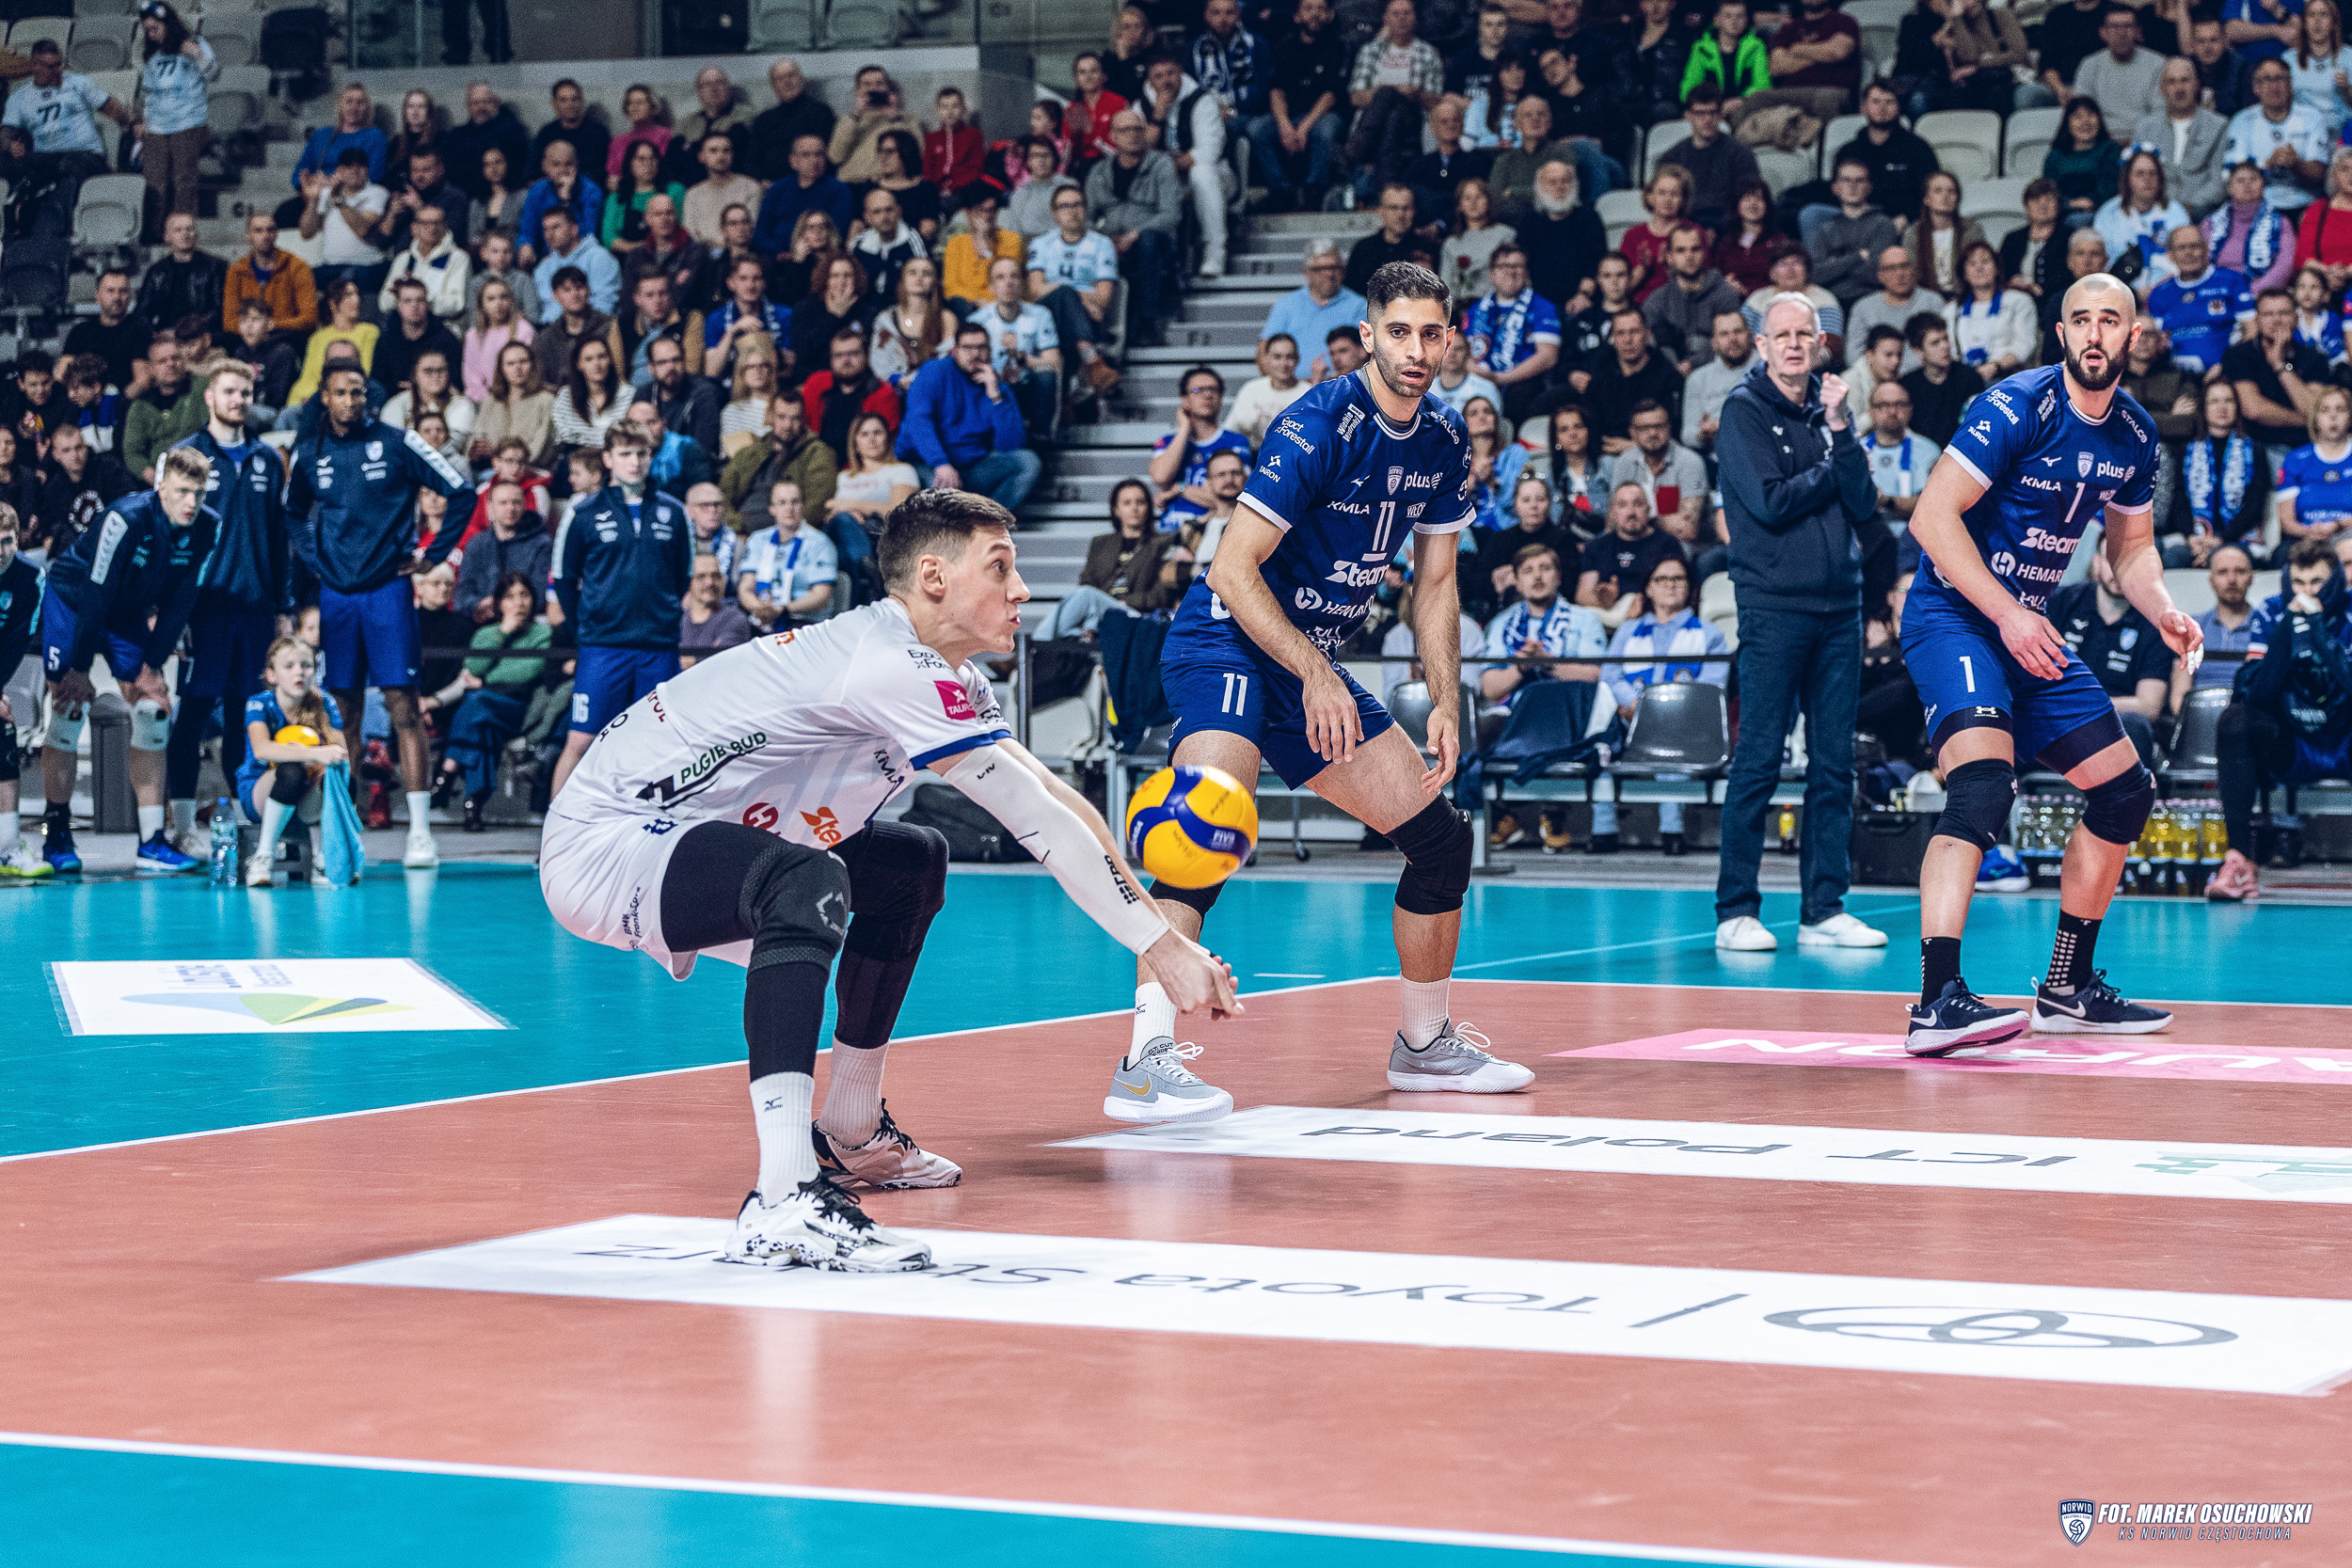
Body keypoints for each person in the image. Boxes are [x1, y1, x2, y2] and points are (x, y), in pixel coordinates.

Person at [543, 480, 1240, 1260]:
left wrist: (1164, 938)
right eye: (1000, 566)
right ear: (934, 577)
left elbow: (1053, 797)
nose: (1021, 588)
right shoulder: (886, 662)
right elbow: (1035, 821)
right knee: (806, 882)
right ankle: (783, 1197)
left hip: (700, 827)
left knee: (911, 862)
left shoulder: (948, 675)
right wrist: (1161, 946)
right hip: (608, 840)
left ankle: (850, 1129)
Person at [1126, 259, 1529, 1123]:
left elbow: (1437, 583)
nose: (1416, 350)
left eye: (1431, 334)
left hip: (1308, 661)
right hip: (1227, 642)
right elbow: (1232, 571)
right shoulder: (1316, 424)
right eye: (1399, 332)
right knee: (1199, 831)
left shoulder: (1445, 436)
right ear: (1369, 334)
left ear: (1450, 340)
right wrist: (1315, 670)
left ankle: (1424, 1045)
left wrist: (1445, 699)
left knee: (1441, 843)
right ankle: (1145, 1062)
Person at [1896, 269, 2195, 1048]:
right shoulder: (2014, 406)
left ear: (2134, 336)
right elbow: (1932, 518)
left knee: (2125, 792)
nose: (2095, 333)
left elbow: (2130, 549)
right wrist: (2008, 613)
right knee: (1982, 784)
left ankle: (2067, 987)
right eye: (2081, 320)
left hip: (2029, 627)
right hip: (1958, 616)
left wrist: (2162, 608)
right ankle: (1936, 1000)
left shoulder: (2135, 434)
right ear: (2060, 333)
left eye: (2110, 320)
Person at [1710, 289, 1885, 956]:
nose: (1793, 344)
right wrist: (1832, 466)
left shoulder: (1831, 409)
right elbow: (1770, 501)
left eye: (1803, 335)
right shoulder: (1743, 410)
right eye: (1781, 334)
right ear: (1761, 346)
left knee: (1835, 763)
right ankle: (1736, 909)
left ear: (1820, 344)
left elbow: (1863, 502)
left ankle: (1824, 909)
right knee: (1759, 757)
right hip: (1774, 607)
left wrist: (1840, 431)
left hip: (1841, 607)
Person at [287, 364, 478, 869]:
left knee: (404, 708)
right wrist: (316, 557)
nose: (350, 401)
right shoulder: (307, 450)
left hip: (389, 592)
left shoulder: (399, 442)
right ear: (324, 397)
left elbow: (461, 491)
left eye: (358, 392)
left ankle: (419, 833)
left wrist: (433, 555)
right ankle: (344, 831)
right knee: (343, 713)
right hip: (337, 597)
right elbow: (292, 514)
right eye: (340, 393)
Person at [36, 447, 220, 874]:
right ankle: (57, 834)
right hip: (73, 601)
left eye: (198, 493)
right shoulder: (126, 517)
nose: (191, 502)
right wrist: (79, 669)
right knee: (69, 710)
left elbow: (182, 601)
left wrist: (151, 666)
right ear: (160, 486)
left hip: (125, 613)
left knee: (154, 711)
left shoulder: (209, 526)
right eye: (182, 491)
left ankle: (151, 841)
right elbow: (96, 591)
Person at [159, 364, 287, 851]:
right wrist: (171, 611)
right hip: (203, 611)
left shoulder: (267, 458)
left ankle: (245, 823)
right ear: (209, 396)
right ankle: (183, 828)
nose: (239, 400)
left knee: (245, 717)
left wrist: (283, 608)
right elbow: (169, 534)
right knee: (192, 715)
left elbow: (279, 538)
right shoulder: (186, 457)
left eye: (246, 392)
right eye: (229, 391)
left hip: (255, 612)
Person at [547, 422, 693, 797]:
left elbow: (683, 576)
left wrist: (658, 615)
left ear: (651, 457)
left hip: (658, 649)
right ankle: (555, 829)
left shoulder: (674, 511)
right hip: (603, 647)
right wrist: (588, 628)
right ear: (608, 459)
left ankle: (655, 826)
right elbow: (563, 579)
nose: (634, 462)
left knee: (661, 745)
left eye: (641, 453)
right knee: (581, 742)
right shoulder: (583, 512)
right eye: (625, 454)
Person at [2207, 535, 2352, 899]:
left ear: (2334, 580)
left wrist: (2317, 630)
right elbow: (2257, 693)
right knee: (2236, 721)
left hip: (2343, 739)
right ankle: (2239, 860)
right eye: (2299, 582)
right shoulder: (2272, 611)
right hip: (2292, 744)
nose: (2308, 592)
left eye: (2317, 582)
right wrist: (2289, 626)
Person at [1476, 540, 1607, 851]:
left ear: (1558, 577)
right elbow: (1490, 688)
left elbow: (1595, 675)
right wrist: (1521, 667)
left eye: (1545, 568)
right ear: (1517, 581)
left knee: (1550, 707)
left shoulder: (1585, 619)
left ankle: (1554, 814)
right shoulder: (1501, 624)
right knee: (1474, 727)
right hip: (1513, 713)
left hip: (1566, 715)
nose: (1537, 576)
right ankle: (1503, 814)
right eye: (1528, 571)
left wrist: (1548, 663)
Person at [1594, 554, 1728, 854]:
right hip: (1628, 719)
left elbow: (1713, 686)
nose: (1670, 585)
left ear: (1690, 587)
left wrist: (1664, 713)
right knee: (1600, 747)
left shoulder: (1709, 634)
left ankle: (1672, 832)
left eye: (1678, 578)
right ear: (1649, 588)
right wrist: (1632, 704)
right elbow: (1610, 675)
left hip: (1684, 723)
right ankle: (1603, 831)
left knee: (1672, 746)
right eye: (1662, 579)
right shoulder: (1628, 631)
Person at [230, 636, 349, 883]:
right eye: (289, 666)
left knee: (341, 776)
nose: (299, 672)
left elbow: (340, 754)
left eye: (306, 666)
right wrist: (314, 753)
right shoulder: (259, 703)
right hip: (260, 794)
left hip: (306, 799)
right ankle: (263, 858)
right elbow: (262, 750)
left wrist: (319, 761)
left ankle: (327, 858)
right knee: (291, 771)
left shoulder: (325, 702)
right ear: (271, 675)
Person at [2046, 545, 2175, 765]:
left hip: (2114, 723)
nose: (2118, 570)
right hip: (2055, 718)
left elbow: (2149, 706)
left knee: (2135, 727)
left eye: (2128, 562)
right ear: (2097, 562)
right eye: (2111, 560)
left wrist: (2080, 706)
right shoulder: (2062, 602)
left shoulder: (2155, 621)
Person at [1086, 110, 1184, 349]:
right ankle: (1095, 329)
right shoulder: (1099, 172)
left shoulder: (1161, 164)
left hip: (1153, 239)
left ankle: (1148, 323)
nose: (1132, 135)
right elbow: (1086, 217)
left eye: (1138, 129)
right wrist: (1104, 240)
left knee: (1147, 242)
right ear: (1113, 136)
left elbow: (1171, 214)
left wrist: (1135, 234)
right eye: (1125, 130)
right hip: (1111, 239)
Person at [1025, 183, 1124, 404]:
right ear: (1055, 214)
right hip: (1050, 315)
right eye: (1064, 206)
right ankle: (1092, 361)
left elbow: (1104, 299)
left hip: (1088, 322)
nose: (1072, 211)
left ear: (1086, 209)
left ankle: (1066, 402)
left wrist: (1069, 296)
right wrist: (1081, 298)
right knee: (1065, 293)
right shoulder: (1041, 245)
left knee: (1064, 314)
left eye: (1077, 204)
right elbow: (1036, 291)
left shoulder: (1102, 244)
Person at [1345, 0, 1447, 199]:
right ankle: (1385, 189)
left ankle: (1360, 143)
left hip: (1413, 116)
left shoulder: (1428, 52)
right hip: (1383, 119)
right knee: (1391, 115)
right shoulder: (1370, 51)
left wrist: (1413, 94)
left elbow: (1435, 100)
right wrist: (1394, 91)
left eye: (1406, 13)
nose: (1401, 18)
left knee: (1388, 95)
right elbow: (1356, 96)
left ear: (1415, 18)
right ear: (1386, 19)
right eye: (1396, 13)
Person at [2170, 378, 2272, 563]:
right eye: (2214, 401)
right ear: (2204, 408)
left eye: (2228, 400)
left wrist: (2221, 540)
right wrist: (2191, 538)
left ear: (2237, 407)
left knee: (2231, 558)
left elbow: (2255, 504)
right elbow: (2179, 500)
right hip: (2196, 538)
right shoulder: (2185, 450)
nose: (2222, 407)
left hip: (2238, 538)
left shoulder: (2255, 450)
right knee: (2173, 558)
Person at [4, 39, 131, 187]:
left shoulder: (78, 83)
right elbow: (7, 131)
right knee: (11, 165)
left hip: (85, 154)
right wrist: (10, 145)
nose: (58, 70)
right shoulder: (19, 98)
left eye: (59, 64)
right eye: (51, 66)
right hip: (46, 157)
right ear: (35, 66)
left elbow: (110, 107)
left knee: (68, 165)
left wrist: (132, 123)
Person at [1463, 245, 1560, 423]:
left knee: (1519, 397)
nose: (1510, 272)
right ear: (1492, 274)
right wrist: (1478, 373)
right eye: (1503, 266)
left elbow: (1548, 357)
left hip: (1522, 384)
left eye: (1517, 266)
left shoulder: (1543, 307)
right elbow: (1462, 351)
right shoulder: (1476, 309)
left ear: (1527, 273)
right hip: (1479, 379)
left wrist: (1501, 379)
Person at [2223, 284, 2328, 446]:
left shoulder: (2314, 358)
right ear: (2257, 320)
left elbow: (2313, 409)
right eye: (2268, 314)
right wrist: (2305, 420)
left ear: (2296, 319)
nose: (2276, 320)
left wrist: (2280, 365)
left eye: (2284, 313)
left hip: (2305, 444)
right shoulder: (2238, 355)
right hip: (2257, 444)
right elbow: (2253, 409)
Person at [2224, 56, 2329, 215]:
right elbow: (2232, 172)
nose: (2274, 86)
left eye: (2280, 78)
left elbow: (2320, 174)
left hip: (2304, 205)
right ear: (2256, 87)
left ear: (2290, 84)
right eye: (2266, 79)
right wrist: (2267, 164)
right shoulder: (2242, 121)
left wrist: (2296, 164)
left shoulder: (2312, 118)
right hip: (2257, 205)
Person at [737, 476, 839, 633]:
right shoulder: (758, 539)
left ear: (803, 506)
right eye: (782, 502)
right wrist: (760, 609)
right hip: (761, 618)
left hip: (803, 622)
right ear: (771, 508)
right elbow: (746, 587)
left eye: (795, 502)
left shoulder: (820, 543)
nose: (789, 508)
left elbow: (822, 596)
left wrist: (782, 610)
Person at [2169, 544, 2259, 715]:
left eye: (2240, 571)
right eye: (2222, 572)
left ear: (2252, 578)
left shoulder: (2266, 627)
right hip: (2199, 718)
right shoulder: (2191, 628)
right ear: (2211, 581)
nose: (2231, 579)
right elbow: (2179, 698)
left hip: (2249, 719)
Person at [2138, 55, 2232, 219]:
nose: (2179, 88)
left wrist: (2185, 210)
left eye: (2185, 80)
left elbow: (2218, 182)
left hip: (2201, 211)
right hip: (2155, 210)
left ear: (2197, 85)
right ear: (2162, 89)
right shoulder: (2145, 128)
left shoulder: (2219, 126)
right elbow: (2135, 178)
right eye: (2171, 82)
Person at [1581, 309, 1684, 453]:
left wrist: (1635, 448)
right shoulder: (1600, 379)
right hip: (1607, 454)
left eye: (1634, 332)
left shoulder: (1669, 378)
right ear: (1613, 339)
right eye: (1620, 333)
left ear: (1647, 335)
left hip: (1656, 454)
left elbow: (1676, 432)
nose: (1628, 340)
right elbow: (1590, 428)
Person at [301, 147, 391, 301]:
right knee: (299, 277)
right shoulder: (326, 193)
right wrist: (313, 199)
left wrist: (339, 199)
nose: (355, 170)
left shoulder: (377, 192)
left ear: (367, 169)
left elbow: (362, 229)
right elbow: (307, 233)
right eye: (348, 166)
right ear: (339, 171)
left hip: (367, 266)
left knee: (347, 279)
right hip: (330, 266)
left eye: (361, 165)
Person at [1945, 241, 2039, 382]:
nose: (1979, 268)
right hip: (1963, 381)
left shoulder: (2019, 301)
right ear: (1964, 273)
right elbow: (1950, 349)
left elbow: (2025, 344)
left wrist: (1996, 366)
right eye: (1972, 264)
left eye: (1985, 261)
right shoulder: (1952, 310)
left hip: (2008, 377)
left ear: (1997, 268)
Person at [2276, 381, 2352, 552]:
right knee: (2282, 553)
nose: (2333, 416)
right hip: (2306, 538)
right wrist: (2310, 532)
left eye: (2340, 409)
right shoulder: (2296, 459)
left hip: (2349, 536)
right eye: (2325, 410)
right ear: (2315, 418)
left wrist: (2338, 525)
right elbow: (2286, 521)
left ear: (2350, 417)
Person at [755, 135, 857, 261]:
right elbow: (760, 234)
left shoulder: (838, 190)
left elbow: (837, 231)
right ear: (793, 161)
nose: (814, 160)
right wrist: (782, 252)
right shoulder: (777, 189)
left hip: (821, 258)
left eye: (819, 154)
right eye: (806, 155)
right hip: (778, 258)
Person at [1260, 239, 1367, 355]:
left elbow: (1368, 351)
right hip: (1292, 367)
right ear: (1307, 272)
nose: (1329, 274)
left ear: (1343, 271)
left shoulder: (1359, 306)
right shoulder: (1286, 305)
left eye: (1334, 268)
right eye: (1321, 269)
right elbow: (1264, 351)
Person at [2074, 4, 2167, 135]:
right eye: (2114, 27)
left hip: (2145, 139)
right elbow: (2082, 110)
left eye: (2128, 26)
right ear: (2103, 33)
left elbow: (2160, 113)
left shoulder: (2158, 64)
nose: (2121, 33)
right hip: (2101, 140)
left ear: (2138, 31)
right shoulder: (2089, 65)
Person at [122, 337, 203, 484]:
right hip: (160, 482)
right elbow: (132, 452)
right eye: (162, 361)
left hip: (199, 473)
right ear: (151, 368)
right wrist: (150, 474)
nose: (170, 364)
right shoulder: (140, 405)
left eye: (175, 358)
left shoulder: (201, 389)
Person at [1863, 375, 1939, 526]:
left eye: (1899, 404)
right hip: (1866, 533)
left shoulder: (1929, 451)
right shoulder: (1857, 451)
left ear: (1910, 410)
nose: (1892, 411)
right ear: (1871, 411)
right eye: (1884, 405)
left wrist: (1887, 501)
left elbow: (1934, 505)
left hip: (1912, 534)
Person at [68, 270, 155, 401]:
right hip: (83, 403)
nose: (117, 297)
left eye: (123, 291)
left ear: (130, 296)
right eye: (110, 291)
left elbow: (142, 380)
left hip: (123, 403)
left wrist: (114, 403)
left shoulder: (140, 330)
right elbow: (62, 375)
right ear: (98, 296)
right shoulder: (80, 332)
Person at [1899, 312, 1983, 446]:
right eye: (1935, 343)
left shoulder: (1969, 378)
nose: (1945, 346)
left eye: (1945, 339)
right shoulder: (1907, 385)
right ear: (1918, 350)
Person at [829, 411, 919, 533]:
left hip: (882, 534)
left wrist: (851, 506)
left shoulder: (902, 470)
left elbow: (901, 513)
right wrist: (848, 513)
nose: (871, 439)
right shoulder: (844, 476)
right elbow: (830, 508)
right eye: (864, 434)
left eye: (877, 433)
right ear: (855, 444)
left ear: (888, 438)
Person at [748, 59, 835, 183]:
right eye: (780, 79)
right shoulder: (763, 120)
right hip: (770, 185)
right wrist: (761, 180)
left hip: (810, 183)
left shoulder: (821, 113)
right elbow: (751, 159)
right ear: (773, 86)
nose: (787, 82)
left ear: (801, 79)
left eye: (791, 76)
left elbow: (824, 156)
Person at [1682, 309, 1757, 452]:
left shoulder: (1768, 369)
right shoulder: (1698, 378)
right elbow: (1687, 434)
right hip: (1715, 456)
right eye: (1724, 334)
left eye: (1738, 331)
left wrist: (1726, 427)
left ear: (1749, 336)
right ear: (1714, 343)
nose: (1732, 339)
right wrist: (1702, 434)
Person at [373, 277, 465, 395]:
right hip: (395, 399)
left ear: (428, 304)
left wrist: (421, 388)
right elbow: (378, 383)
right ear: (398, 305)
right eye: (407, 301)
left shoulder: (446, 340)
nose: (414, 306)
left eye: (420, 300)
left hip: (438, 399)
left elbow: (456, 382)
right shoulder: (386, 340)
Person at [530, 206, 620, 324]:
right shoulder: (543, 267)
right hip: (553, 329)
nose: (549, 235)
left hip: (595, 328)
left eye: (556, 227)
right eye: (546, 229)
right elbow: (544, 309)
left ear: (574, 229)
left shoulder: (599, 258)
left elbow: (604, 305)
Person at [475, 340, 556, 468]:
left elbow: (541, 449)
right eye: (510, 363)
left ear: (532, 365)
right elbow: (476, 439)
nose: (517, 368)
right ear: (501, 369)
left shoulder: (546, 401)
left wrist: (504, 460)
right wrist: (477, 451)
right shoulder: (490, 402)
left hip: (530, 470)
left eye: (523, 362)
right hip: (492, 469)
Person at [1348, 183, 1438, 297]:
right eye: (1393, 208)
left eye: (1406, 208)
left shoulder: (1429, 250)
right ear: (1381, 211)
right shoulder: (1363, 250)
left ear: (1414, 212)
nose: (1400, 214)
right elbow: (1351, 294)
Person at [830, 65, 914, 186]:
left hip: (890, 184)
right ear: (858, 90)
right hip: (853, 183)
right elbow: (835, 157)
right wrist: (856, 116)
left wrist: (895, 119)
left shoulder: (905, 119)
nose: (873, 89)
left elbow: (915, 155)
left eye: (879, 83)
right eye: (867, 84)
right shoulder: (848, 120)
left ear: (887, 88)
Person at [2045, 100, 2124, 223]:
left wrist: (2091, 201)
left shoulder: (2110, 149)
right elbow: (2048, 188)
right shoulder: (2056, 155)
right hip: (2061, 211)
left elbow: (2110, 185)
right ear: (2067, 123)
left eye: (2090, 115)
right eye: (2078, 117)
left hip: (2099, 211)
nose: (2085, 122)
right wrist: (2069, 203)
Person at [1225, 333, 1310, 446]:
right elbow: (1230, 432)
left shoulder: (1308, 393)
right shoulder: (1251, 390)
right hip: (1254, 453)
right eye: (1277, 357)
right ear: (1266, 359)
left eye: (1289, 357)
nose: (1283, 363)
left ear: (1297, 359)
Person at [678, 551, 755, 669]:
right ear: (689, 581)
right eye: (701, 576)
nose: (710, 582)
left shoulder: (734, 618)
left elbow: (721, 661)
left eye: (715, 576)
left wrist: (684, 659)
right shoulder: (677, 620)